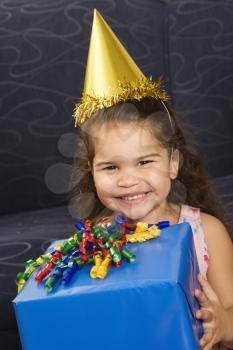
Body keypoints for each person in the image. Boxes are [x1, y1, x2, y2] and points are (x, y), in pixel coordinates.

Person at [70, 9, 233, 350]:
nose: (129, 180)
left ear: (173, 163)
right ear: (92, 170)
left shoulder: (206, 231)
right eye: (111, 167)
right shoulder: (96, 239)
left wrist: (222, 325)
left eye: (144, 161)